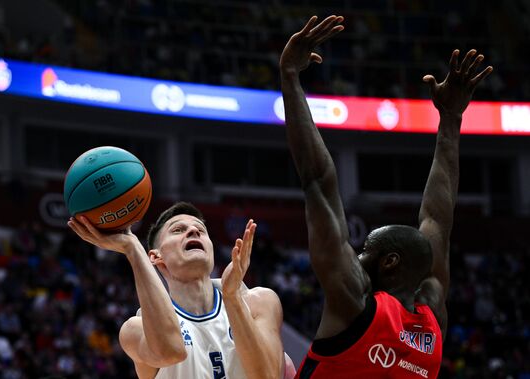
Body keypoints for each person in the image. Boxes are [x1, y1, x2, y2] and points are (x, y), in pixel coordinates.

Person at [279, 15, 493, 378]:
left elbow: (318, 181)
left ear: (390, 262)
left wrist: (289, 77)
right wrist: (451, 120)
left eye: (366, 251)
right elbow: (438, 220)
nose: (358, 255)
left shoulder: (354, 303)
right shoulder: (432, 319)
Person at [68, 201, 289, 379]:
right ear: (156, 257)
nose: (193, 230)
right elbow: (171, 351)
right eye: (178, 230)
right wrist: (132, 248)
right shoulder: (136, 329)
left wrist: (232, 299)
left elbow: (266, 376)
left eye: (200, 230)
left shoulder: (258, 301)